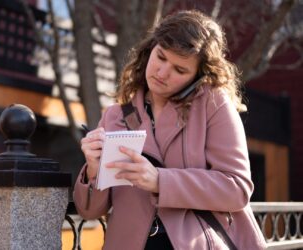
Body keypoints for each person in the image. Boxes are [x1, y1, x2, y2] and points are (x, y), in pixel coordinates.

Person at [74, 10, 267, 250]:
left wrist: (160, 181)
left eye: (180, 70)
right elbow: (89, 211)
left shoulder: (213, 105)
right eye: (161, 57)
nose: (162, 73)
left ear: (198, 76)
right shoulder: (115, 116)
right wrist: (93, 170)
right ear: (150, 49)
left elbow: (236, 188)